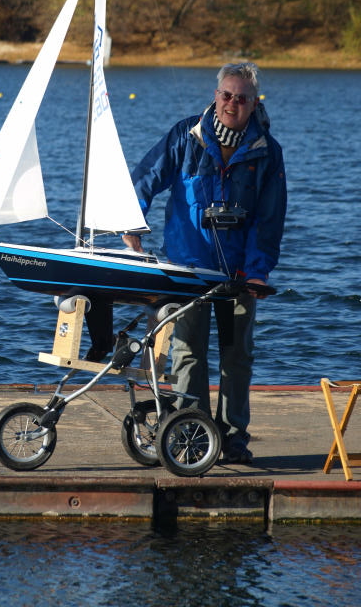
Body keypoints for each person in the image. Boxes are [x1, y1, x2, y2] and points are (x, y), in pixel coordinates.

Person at [121, 62, 287, 464]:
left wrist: (258, 271)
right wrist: (130, 223)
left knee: (237, 357)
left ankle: (233, 440)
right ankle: (192, 433)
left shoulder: (267, 151)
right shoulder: (185, 135)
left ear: (253, 103)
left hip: (241, 274)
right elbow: (144, 178)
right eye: (226, 94)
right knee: (188, 353)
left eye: (241, 98)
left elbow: (270, 218)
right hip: (188, 268)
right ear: (216, 96)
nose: (232, 103)